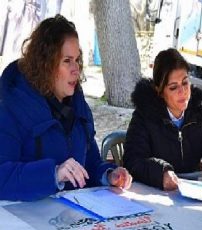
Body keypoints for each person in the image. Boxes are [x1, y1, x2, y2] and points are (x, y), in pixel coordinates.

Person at [0, 15, 132, 201]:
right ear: (45, 65)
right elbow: (2, 178)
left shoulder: (78, 107)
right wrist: (53, 174)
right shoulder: (11, 108)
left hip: (72, 216)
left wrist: (108, 175)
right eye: (67, 60)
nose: (76, 70)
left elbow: (90, 163)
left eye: (77, 60)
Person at [123, 48, 202, 197]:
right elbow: (133, 160)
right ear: (159, 90)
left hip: (191, 196)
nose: (182, 91)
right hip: (155, 197)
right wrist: (162, 173)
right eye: (173, 87)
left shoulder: (198, 112)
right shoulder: (145, 116)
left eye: (185, 83)